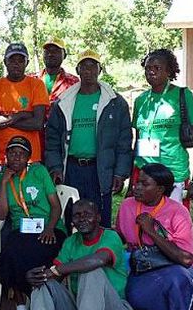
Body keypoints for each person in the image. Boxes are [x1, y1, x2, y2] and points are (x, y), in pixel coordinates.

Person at [3, 199, 132, 310]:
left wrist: (54, 270)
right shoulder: (71, 242)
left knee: (92, 271)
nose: (82, 219)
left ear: (98, 217)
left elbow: (98, 260)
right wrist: (36, 276)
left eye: (87, 214)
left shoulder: (110, 237)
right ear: (72, 221)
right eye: (77, 216)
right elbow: (55, 275)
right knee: (44, 281)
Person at [45, 49, 133, 228]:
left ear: (100, 70)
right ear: (77, 71)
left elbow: (124, 141)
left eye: (93, 67)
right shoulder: (64, 102)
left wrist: (120, 173)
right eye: (84, 67)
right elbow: (52, 139)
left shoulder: (115, 102)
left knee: (100, 216)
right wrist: (55, 167)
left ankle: (101, 254)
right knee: (71, 215)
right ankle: (72, 253)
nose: (88, 71)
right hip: (72, 168)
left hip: (100, 168)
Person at [115, 163, 193, 310]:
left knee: (175, 278)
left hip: (174, 265)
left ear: (160, 189)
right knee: (134, 296)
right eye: (138, 182)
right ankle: (160, 308)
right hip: (143, 262)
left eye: (144, 184)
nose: (137, 187)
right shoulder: (127, 205)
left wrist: (151, 232)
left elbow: (186, 260)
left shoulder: (178, 212)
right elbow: (120, 237)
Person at [0, 136, 66, 310]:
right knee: (6, 258)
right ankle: (20, 303)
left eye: (21, 154)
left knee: (37, 253)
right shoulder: (1, 178)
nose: (17, 157)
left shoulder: (39, 171)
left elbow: (56, 206)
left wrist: (50, 228)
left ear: (28, 158)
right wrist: (3, 183)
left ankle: (38, 298)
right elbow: (1, 215)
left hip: (48, 228)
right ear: (6, 155)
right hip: (22, 230)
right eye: (12, 153)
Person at [131, 49, 193, 210]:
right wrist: (133, 178)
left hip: (172, 174)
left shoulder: (182, 95)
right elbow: (138, 140)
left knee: (170, 227)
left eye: (157, 68)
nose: (151, 71)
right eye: (147, 68)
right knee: (143, 223)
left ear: (169, 71)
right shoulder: (140, 100)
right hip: (144, 174)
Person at [0, 43, 50, 169]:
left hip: (30, 158)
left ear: (27, 62)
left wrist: (5, 119)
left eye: (21, 60)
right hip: (1, 159)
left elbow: (37, 123)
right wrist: (21, 115)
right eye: (12, 60)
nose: (16, 64)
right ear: (5, 62)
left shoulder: (37, 85)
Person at [41, 37, 79, 104]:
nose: (50, 54)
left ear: (64, 55)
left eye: (55, 51)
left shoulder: (73, 82)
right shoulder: (32, 80)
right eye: (47, 51)